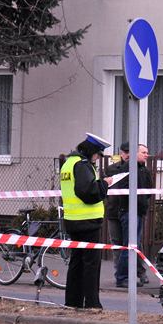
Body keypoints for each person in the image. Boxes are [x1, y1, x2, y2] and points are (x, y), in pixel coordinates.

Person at [60, 132, 114, 309]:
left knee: (76, 262)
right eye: (98, 154)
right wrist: (105, 184)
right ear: (92, 151)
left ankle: (73, 301)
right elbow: (88, 193)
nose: (97, 158)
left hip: (73, 221)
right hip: (88, 221)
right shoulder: (82, 165)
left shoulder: (69, 163)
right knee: (91, 264)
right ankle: (92, 303)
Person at [115, 144, 153, 287]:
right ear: (135, 153)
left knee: (133, 246)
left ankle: (129, 276)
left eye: (147, 153)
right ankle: (122, 277)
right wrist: (137, 201)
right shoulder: (128, 168)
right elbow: (123, 189)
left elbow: (149, 189)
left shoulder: (143, 170)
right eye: (143, 152)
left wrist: (142, 201)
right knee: (129, 246)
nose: (146, 155)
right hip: (129, 212)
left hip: (139, 211)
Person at [104, 142, 130, 273]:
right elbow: (104, 187)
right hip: (113, 210)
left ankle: (140, 272)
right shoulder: (111, 169)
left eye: (130, 152)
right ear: (121, 153)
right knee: (116, 243)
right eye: (125, 152)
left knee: (133, 243)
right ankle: (118, 272)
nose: (128, 154)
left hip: (129, 211)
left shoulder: (138, 169)